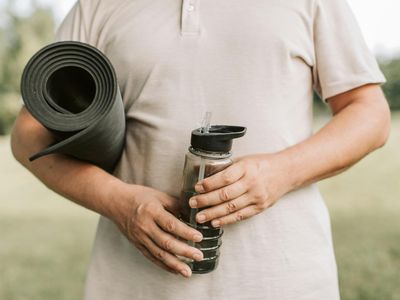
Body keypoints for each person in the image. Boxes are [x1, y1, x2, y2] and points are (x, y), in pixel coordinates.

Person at [11, 0, 391, 299]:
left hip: (285, 281)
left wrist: (281, 172)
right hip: (132, 286)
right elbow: (28, 134)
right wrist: (118, 202)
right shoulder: (97, 5)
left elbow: (370, 114)